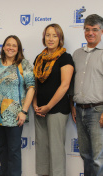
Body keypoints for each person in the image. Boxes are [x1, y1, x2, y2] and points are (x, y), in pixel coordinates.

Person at [0, 35, 35, 176]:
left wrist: (24, 111)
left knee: (14, 152)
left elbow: (31, 88)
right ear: (4, 47)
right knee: (3, 150)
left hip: (15, 115)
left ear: (18, 49)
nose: (10, 47)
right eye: (8, 44)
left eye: (14, 45)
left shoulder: (23, 64)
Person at [33, 23, 74, 176]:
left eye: (54, 35)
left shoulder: (65, 57)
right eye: (48, 35)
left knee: (56, 149)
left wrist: (48, 106)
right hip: (40, 110)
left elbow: (65, 85)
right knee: (41, 147)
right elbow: (35, 84)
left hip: (56, 109)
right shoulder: (39, 58)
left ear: (60, 38)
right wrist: (35, 104)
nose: (50, 39)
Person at [70, 14, 103, 176]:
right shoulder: (76, 54)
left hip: (98, 112)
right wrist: (72, 106)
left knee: (98, 158)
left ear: (101, 32)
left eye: (95, 30)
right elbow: (71, 84)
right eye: (87, 29)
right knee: (86, 155)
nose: (91, 33)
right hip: (79, 110)